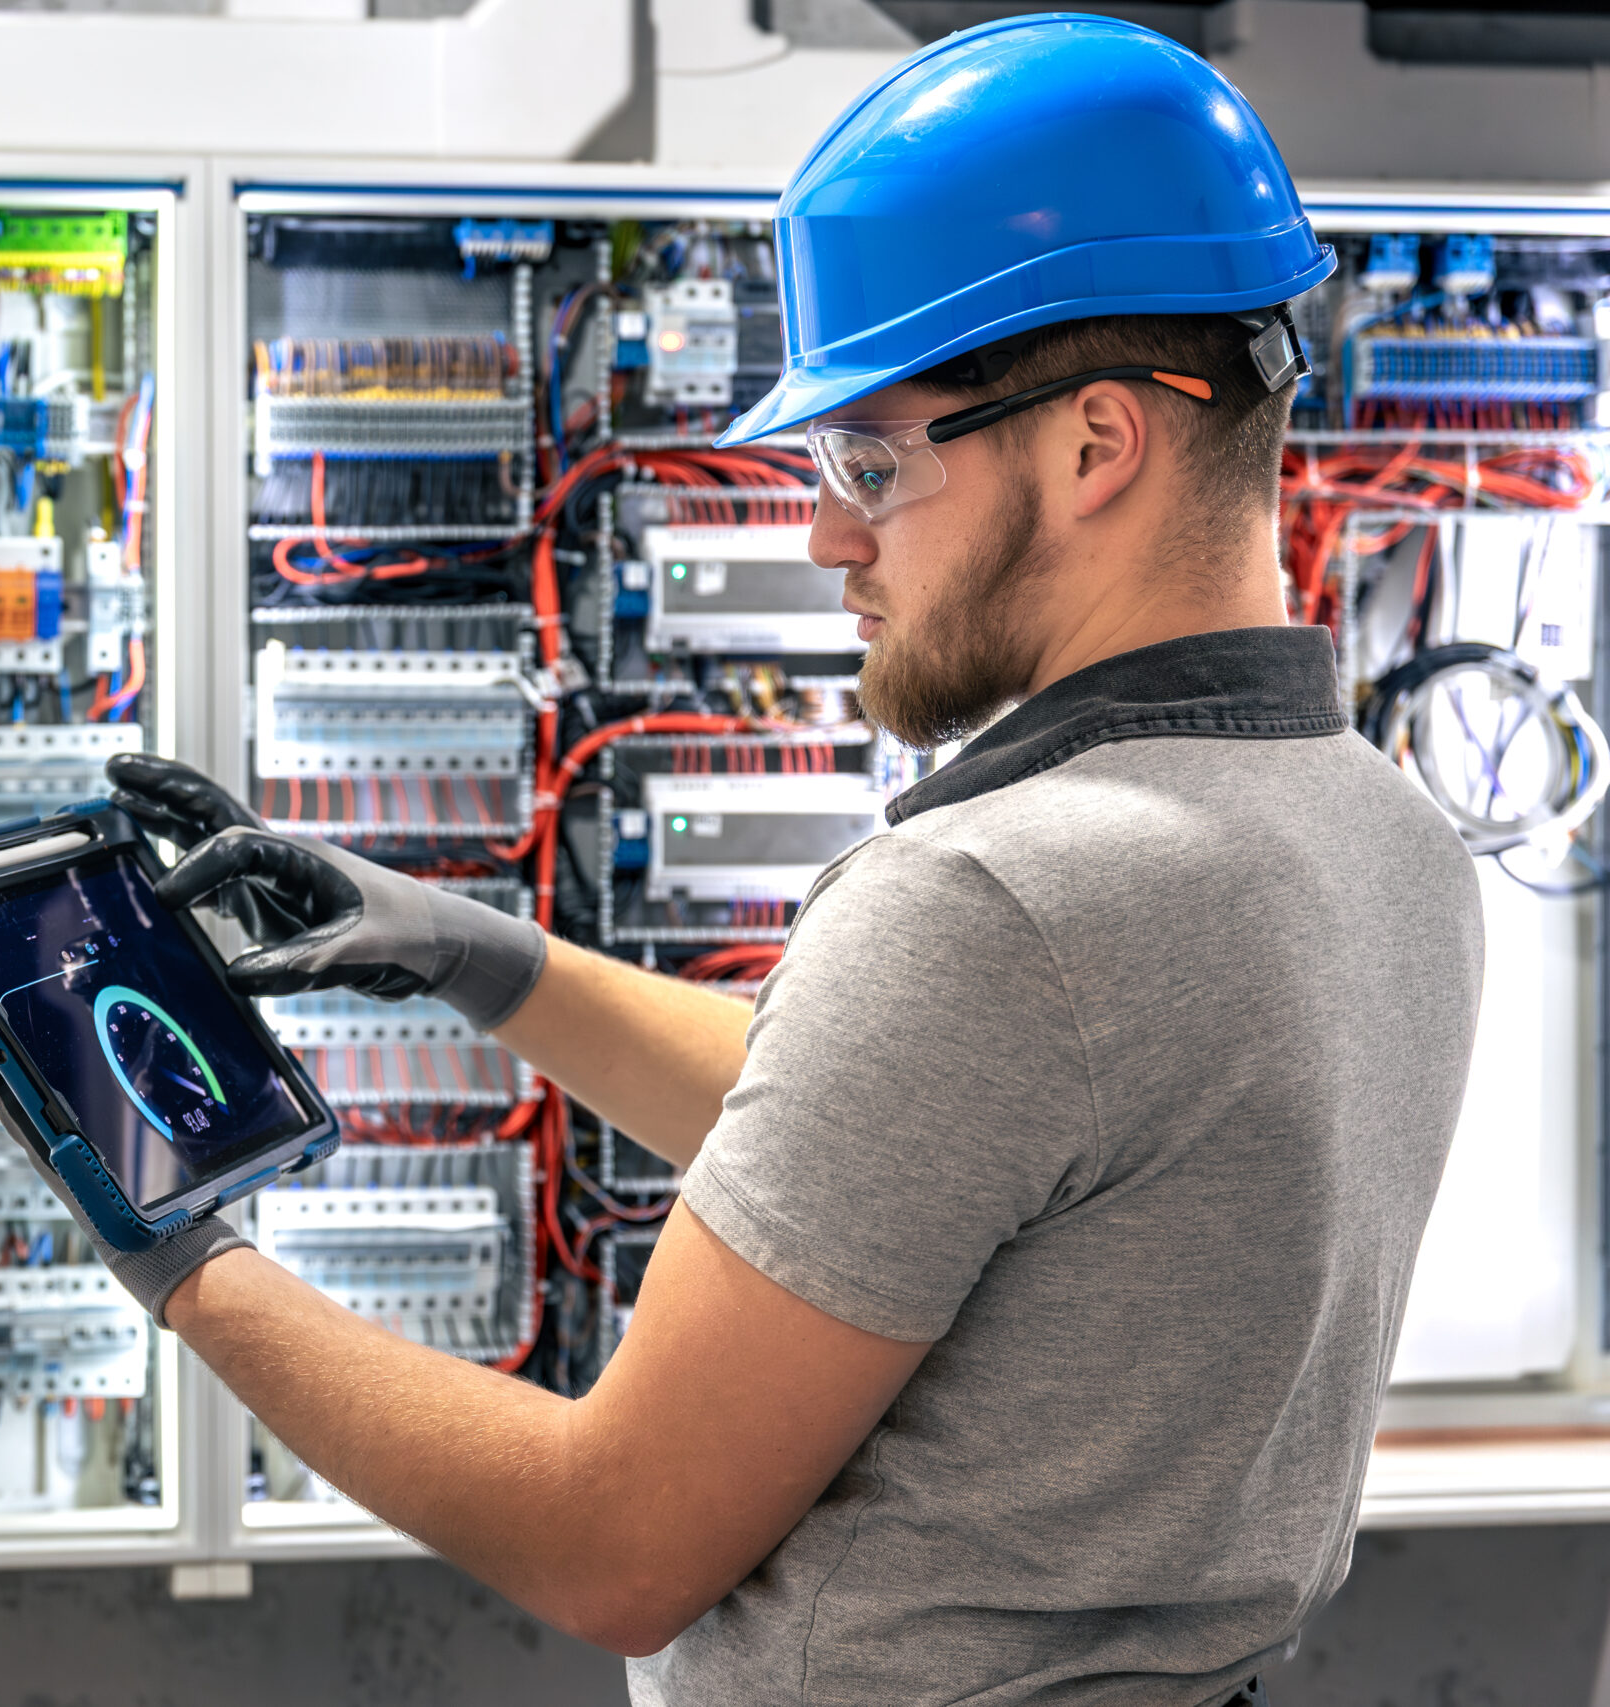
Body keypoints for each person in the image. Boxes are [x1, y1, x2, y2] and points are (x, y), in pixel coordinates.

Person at [81, 17, 1483, 1703]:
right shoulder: (1387, 837)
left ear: (1097, 441)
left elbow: (616, 1541)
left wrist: (178, 1255)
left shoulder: (1006, 903)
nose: (824, 532)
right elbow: (903, 1139)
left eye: (871, 461)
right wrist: (466, 952)